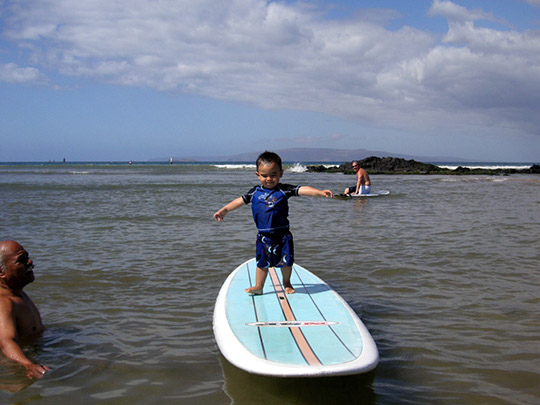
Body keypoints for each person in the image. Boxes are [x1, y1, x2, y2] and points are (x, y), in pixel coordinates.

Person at [213, 151, 333, 295]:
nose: (269, 179)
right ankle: (259, 286)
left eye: (273, 175)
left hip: (283, 235)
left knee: (286, 262)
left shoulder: (283, 190)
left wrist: (319, 192)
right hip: (264, 235)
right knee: (262, 262)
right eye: (264, 175)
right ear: (257, 175)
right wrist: (225, 210)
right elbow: (239, 201)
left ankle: (287, 282)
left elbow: (302, 190)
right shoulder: (254, 192)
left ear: (281, 174)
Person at [0, 241, 49, 379]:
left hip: (37, 349)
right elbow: (6, 341)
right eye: (21, 260)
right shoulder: (4, 302)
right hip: (16, 364)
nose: (30, 261)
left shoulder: (17, 293)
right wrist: (28, 365)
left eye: (27, 256)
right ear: (1, 272)